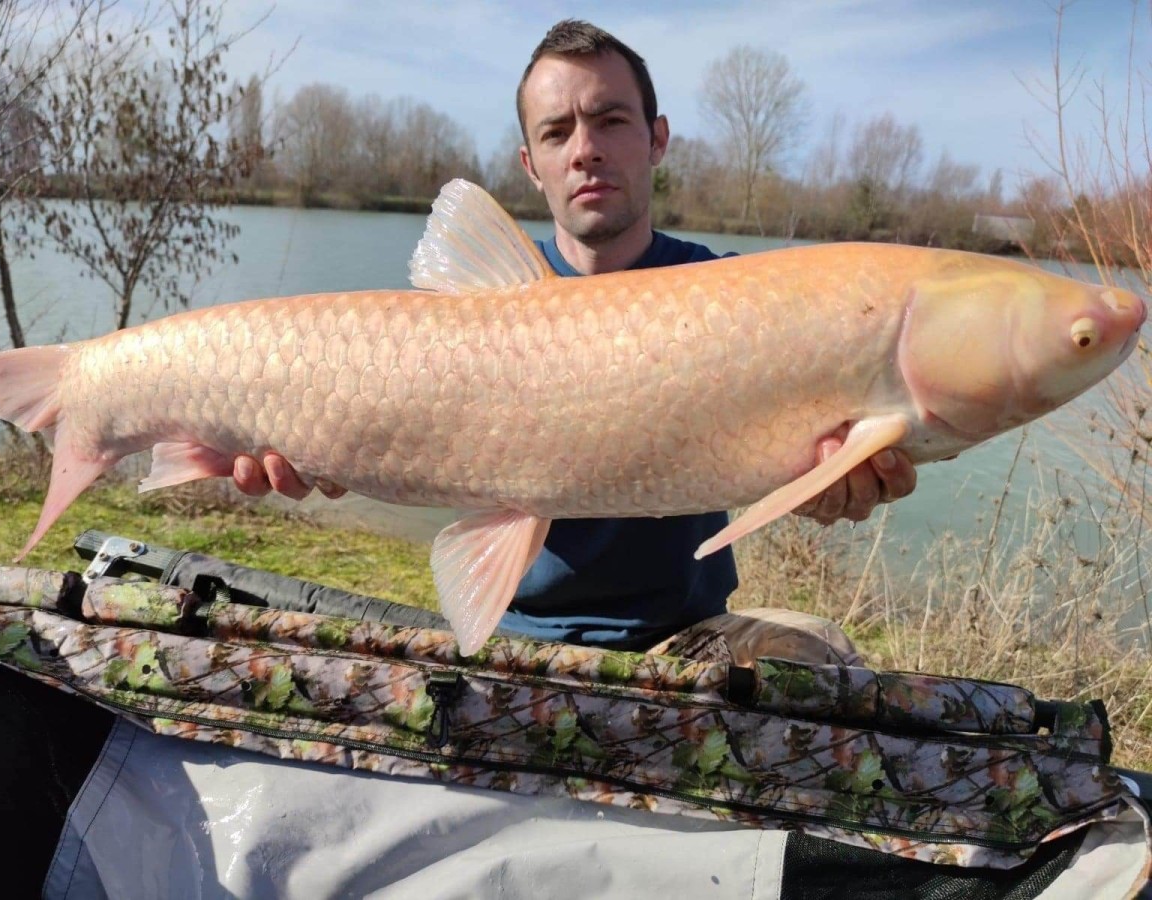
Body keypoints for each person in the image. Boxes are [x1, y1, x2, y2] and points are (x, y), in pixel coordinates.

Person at [232, 19, 917, 667]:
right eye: (558, 131)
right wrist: (314, 444)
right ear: (532, 165)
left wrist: (832, 478)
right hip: (514, 636)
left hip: (687, 636)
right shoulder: (468, 310)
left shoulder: (734, 292)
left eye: (610, 120)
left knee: (827, 659)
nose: (585, 148)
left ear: (657, 139)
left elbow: (828, 418)